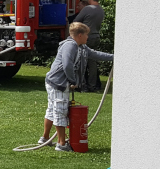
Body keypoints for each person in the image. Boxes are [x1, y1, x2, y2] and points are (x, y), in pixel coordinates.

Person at [39, 22, 114, 151]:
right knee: (60, 111)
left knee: (53, 110)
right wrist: (72, 80)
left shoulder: (82, 47)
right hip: (58, 83)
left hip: (57, 82)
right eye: (86, 35)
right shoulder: (70, 46)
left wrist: (115, 57)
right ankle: (61, 144)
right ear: (79, 35)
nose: (87, 38)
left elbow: (95, 54)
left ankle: (45, 139)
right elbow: (67, 64)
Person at [72, 0, 106, 92]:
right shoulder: (101, 10)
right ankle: (93, 85)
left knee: (81, 61)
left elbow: (76, 20)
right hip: (96, 36)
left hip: (86, 38)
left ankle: (82, 85)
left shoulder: (87, 9)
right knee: (92, 62)